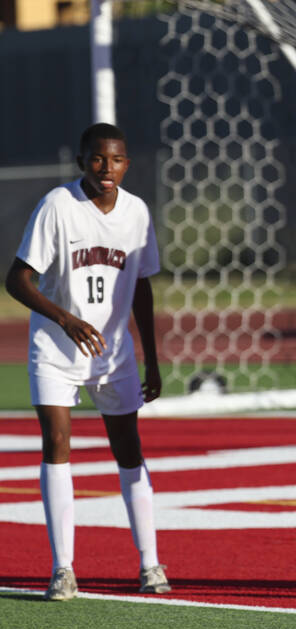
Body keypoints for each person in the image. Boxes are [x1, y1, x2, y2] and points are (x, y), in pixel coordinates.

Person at [5, 122, 170, 601]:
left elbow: (141, 285)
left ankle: (151, 565)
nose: (106, 168)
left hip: (114, 354)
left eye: (116, 159)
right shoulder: (58, 205)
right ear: (81, 162)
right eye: (97, 159)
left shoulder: (136, 212)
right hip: (56, 351)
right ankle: (63, 569)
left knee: (129, 449)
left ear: (127, 164)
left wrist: (152, 359)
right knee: (57, 443)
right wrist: (65, 319)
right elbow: (18, 280)